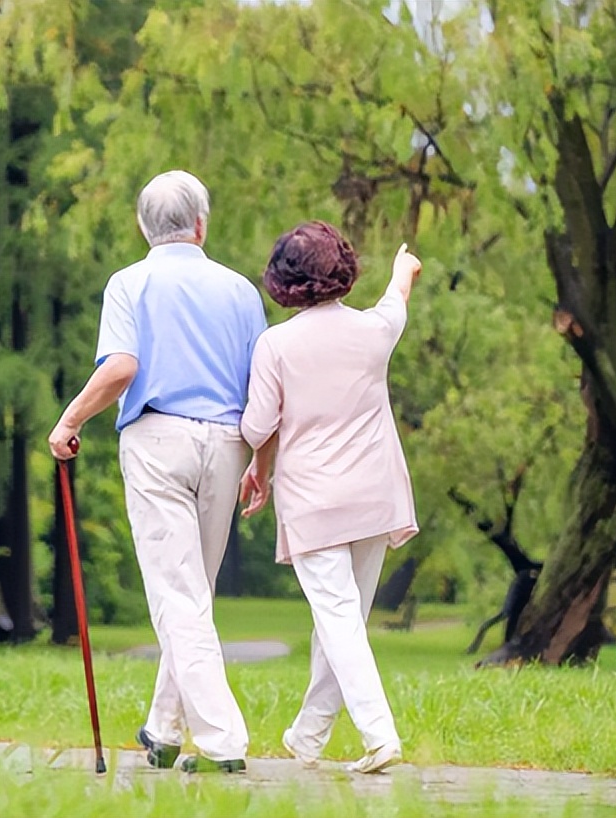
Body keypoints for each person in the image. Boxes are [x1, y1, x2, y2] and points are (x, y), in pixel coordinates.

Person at [48, 170, 266, 773]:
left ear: (144, 227)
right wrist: (263, 464)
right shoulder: (242, 292)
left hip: (157, 438)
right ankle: (165, 731)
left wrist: (69, 420)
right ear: (202, 223)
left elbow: (121, 367)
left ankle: (223, 742)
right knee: (193, 595)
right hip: (228, 444)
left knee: (178, 597)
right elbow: (263, 387)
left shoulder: (130, 283)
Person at [239, 221, 421, 774]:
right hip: (375, 495)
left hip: (315, 500)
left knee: (338, 619)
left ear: (284, 280)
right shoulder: (372, 331)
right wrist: (402, 269)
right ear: (341, 269)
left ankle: (379, 734)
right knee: (343, 621)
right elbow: (396, 301)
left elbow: (256, 425)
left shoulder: (276, 345)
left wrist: (259, 462)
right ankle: (310, 734)